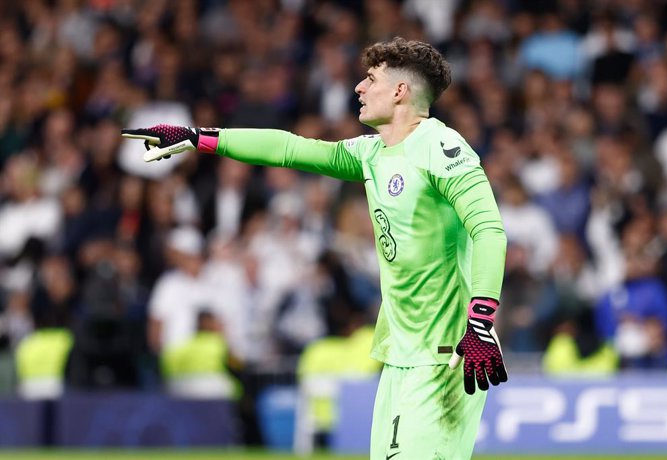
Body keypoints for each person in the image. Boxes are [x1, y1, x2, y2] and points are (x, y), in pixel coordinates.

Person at [122, 37, 508, 460]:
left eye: (371, 79)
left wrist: (482, 323)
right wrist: (201, 138)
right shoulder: (372, 153)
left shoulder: (443, 149)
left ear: (400, 91)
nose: (359, 88)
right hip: (403, 355)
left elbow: (489, 229)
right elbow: (290, 149)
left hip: (446, 354)